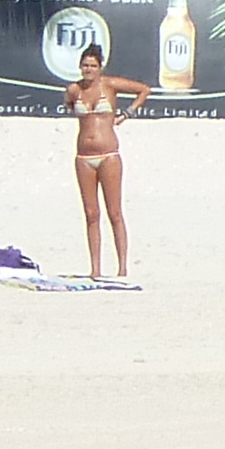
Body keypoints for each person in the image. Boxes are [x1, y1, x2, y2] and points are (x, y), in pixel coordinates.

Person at [69, 43, 152, 280]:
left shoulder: (110, 85)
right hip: (84, 157)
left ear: (100, 67)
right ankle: (95, 268)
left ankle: (122, 267)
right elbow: (70, 107)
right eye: (85, 65)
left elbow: (144, 90)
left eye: (93, 66)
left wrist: (127, 114)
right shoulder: (74, 90)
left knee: (114, 211)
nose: (88, 70)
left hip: (109, 155)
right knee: (91, 213)